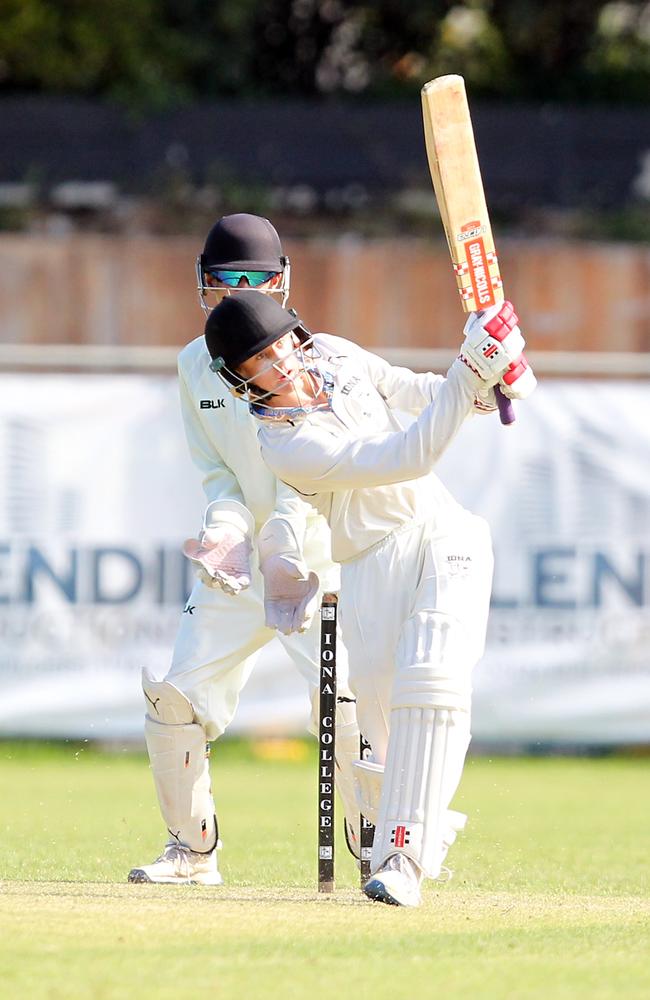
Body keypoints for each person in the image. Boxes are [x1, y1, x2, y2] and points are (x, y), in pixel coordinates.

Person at [202, 289, 536, 906]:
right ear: (237, 379)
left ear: (296, 334)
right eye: (258, 362)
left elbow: (423, 396)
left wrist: (493, 381)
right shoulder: (283, 444)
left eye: (280, 346)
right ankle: (401, 841)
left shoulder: (333, 353)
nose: (280, 364)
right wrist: (473, 366)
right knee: (384, 731)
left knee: (432, 681)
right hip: (368, 565)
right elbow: (408, 454)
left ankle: (404, 860)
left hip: (443, 531)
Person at [128, 215, 361, 885]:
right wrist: (227, 534)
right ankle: (191, 853)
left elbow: (312, 475)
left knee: (345, 709)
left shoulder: (317, 361)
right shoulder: (193, 363)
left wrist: (281, 547)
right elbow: (219, 475)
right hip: (241, 572)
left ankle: (379, 846)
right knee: (173, 699)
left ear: (283, 281)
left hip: (314, 559)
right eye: (225, 281)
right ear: (204, 286)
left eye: (255, 279)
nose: (240, 291)